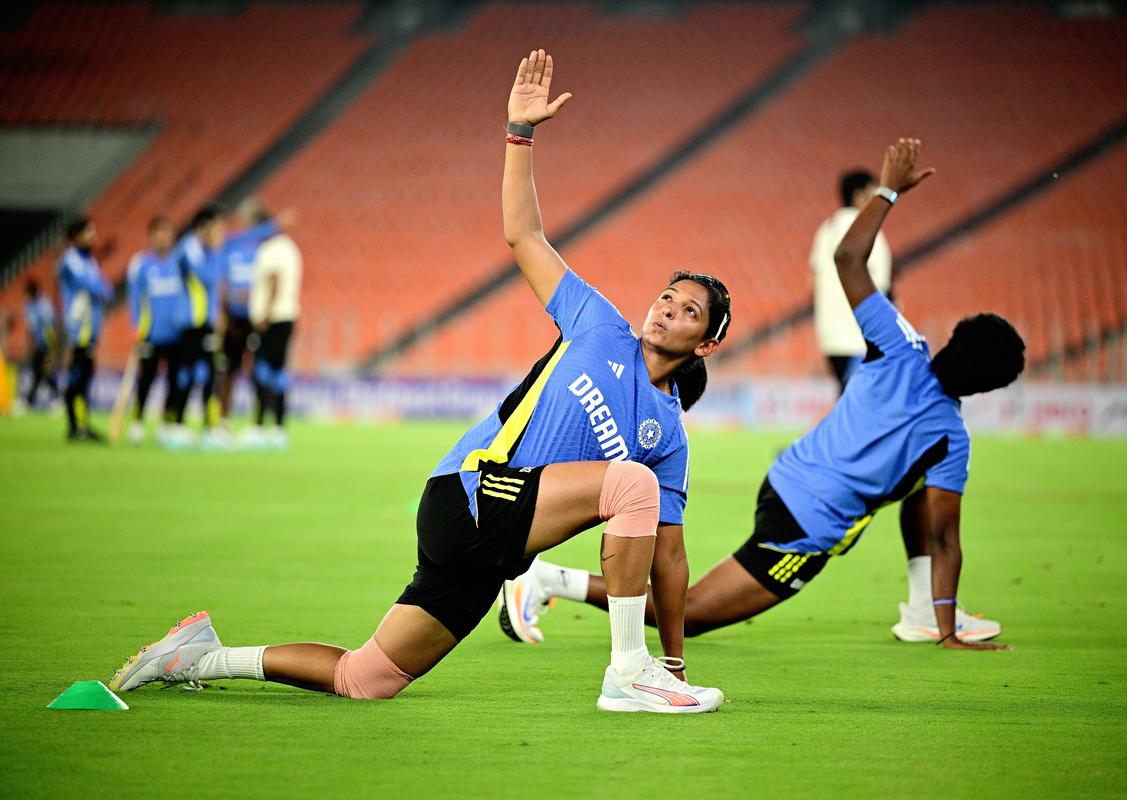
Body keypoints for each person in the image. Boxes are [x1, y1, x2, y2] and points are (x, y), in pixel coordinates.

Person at [109, 50, 730, 713]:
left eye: (688, 310)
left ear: (709, 341)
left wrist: (677, 662)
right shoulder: (599, 326)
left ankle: (198, 655)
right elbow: (523, 235)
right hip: (467, 492)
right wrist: (519, 135)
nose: (666, 310)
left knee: (365, 678)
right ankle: (624, 673)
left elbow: (669, 560)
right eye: (667, 296)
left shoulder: (668, 435)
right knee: (628, 484)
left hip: (491, 549)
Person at [504, 139, 1024, 652]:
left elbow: (848, 257)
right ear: (991, 387)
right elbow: (944, 540)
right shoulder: (950, 440)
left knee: (917, 491)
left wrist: (887, 190)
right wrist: (952, 633)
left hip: (787, 477)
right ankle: (547, 581)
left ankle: (920, 612)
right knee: (692, 614)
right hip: (808, 525)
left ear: (952, 340)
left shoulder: (901, 346)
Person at [812, 169, 892, 393]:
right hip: (860, 333)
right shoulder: (867, 229)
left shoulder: (826, 230)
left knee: (850, 398)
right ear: (859, 196)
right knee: (862, 404)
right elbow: (880, 283)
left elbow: (814, 278)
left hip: (831, 334)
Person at [217, 198, 292, 428]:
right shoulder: (231, 244)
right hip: (233, 317)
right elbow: (222, 279)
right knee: (228, 369)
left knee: (258, 370)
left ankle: (259, 422)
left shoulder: (264, 246)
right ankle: (222, 421)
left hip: (255, 317)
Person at [126, 216, 189, 445]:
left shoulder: (179, 262)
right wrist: (136, 327)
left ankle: (166, 423)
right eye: (159, 233)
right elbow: (134, 299)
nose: (164, 238)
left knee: (175, 380)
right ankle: (137, 421)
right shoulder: (141, 264)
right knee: (146, 379)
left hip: (177, 333)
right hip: (151, 333)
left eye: (168, 232)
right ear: (151, 236)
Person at [244, 216, 302, 448]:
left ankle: (259, 427)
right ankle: (278, 428)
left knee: (261, 371)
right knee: (278, 373)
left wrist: (264, 315)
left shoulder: (269, 250)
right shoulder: (290, 248)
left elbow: (274, 281)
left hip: (271, 320)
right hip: (287, 317)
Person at [173, 205, 227, 447]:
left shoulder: (200, 248)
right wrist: (216, 252)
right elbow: (208, 277)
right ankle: (180, 426)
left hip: (203, 322)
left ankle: (208, 426)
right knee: (189, 373)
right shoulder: (191, 248)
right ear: (202, 227)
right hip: (191, 322)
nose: (218, 232)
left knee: (207, 373)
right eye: (215, 227)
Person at [57, 217, 112, 441]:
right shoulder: (71, 260)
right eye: (88, 232)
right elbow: (91, 285)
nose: (93, 236)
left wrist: (102, 290)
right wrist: (103, 290)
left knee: (86, 376)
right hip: (78, 328)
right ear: (76, 236)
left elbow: (99, 287)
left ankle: (82, 424)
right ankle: (75, 425)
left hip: (90, 328)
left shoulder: (88, 260)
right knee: (78, 376)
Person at [22, 279, 58, 409]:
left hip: (46, 344)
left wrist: (52, 348)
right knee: (39, 372)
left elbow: (50, 327)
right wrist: (30, 345)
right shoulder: (28, 305)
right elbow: (30, 328)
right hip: (37, 345)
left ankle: (29, 400)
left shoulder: (44, 305)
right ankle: (54, 399)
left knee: (43, 371)